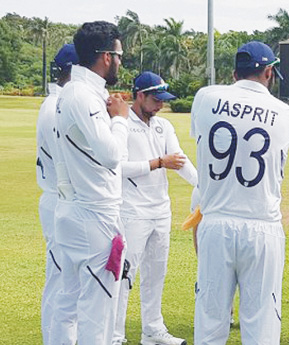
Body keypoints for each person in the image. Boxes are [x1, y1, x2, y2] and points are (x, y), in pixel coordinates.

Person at [190, 41, 289, 345]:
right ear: (269, 72)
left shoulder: (204, 98)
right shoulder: (285, 113)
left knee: (210, 325)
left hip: (215, 226)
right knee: (262, 326)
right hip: (262, 229)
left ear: (235, 72)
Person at [51, 21, 130, 345]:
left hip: (73, 209)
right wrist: (121, 119)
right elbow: (112, 155)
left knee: (67, 304)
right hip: (94, 214)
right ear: (106, 57)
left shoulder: (73, 91)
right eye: (119, 55)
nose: (121, 62)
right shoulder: (84, 95)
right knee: (98, 312)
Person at [112, 71, 197, 345]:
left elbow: (180, 161)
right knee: (125, 275)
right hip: (132, 211)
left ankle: (153, 330)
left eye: (163, 100)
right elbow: (118, 168)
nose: (161, 105)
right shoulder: (122, 125)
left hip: (161, 211)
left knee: (156, 273)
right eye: (156, 99)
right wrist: (158, 162)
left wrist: (206, 188)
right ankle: (114, 335)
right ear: (140, 95)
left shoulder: (164, 126)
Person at [36, 43, 78, 345]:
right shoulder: (57, 106)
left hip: (59, 199)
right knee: (61, 281)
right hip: (60, 199)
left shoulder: (57, 102)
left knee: (64, 279)